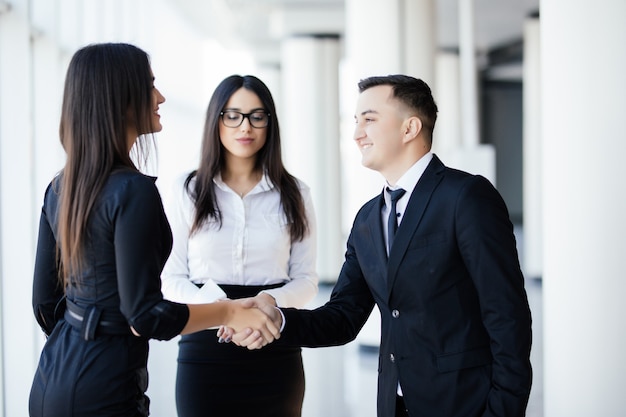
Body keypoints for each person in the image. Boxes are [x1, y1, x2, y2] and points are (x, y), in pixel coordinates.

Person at [234, 74, 533, 417]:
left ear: (409, 129)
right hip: (395, 404)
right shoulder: (366, 220)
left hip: (463, 402)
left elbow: (507, 315)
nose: (357, 133)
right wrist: (279, 319)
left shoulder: (465, 197)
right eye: (356, 120)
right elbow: (342, 318)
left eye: (369, 119)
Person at [28, 43, 279, 417]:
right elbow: (145, 315)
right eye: (149, 86)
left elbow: (45, 303)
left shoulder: (61, 186)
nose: (159, 97)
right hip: (105, 386)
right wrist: (227, 312)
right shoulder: (132, 190)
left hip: (52, 378)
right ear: (121, 98)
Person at [160, 74, 318, 417]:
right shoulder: (187, 189)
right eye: (232, 115)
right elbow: (170, 278)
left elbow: (306, 280)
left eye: (256, 116)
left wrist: (268, 302)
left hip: (274, 344)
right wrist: (223, 311)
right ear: (215, 121)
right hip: (206, 348)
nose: (245, 126)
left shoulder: (296, 193)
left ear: (269, 123)